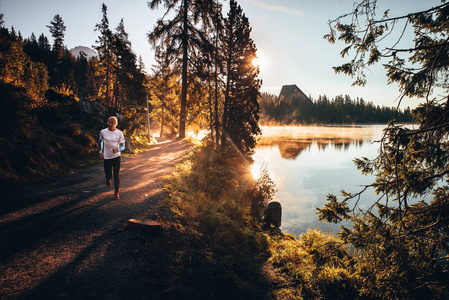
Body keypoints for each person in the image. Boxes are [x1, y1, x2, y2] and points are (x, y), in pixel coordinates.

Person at [99, 116, 125, 199]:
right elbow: (100, 141)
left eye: (112, 123)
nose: (110, 124)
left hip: (116, 157)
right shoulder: (103, 132)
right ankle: (108, 179)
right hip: (107, 157)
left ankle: (116, 192)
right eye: (109, 122)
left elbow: (122, 146)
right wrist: (100, 151)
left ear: (115, 124)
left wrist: (117, 149)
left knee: (116, 175)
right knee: (108, 173)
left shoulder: (119, 133)